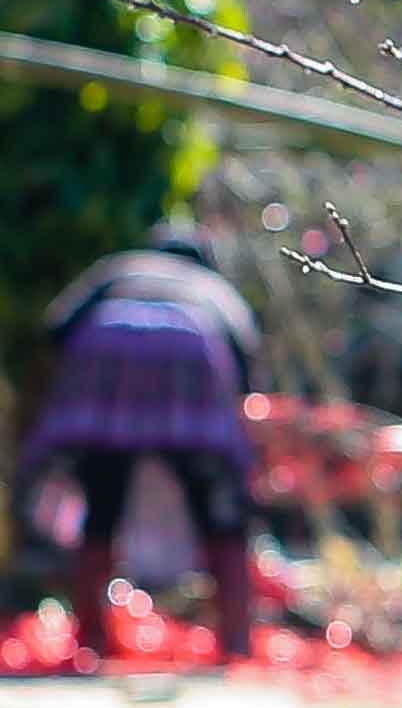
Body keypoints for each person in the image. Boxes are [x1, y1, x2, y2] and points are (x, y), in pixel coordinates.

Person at [18, 225, 263, 667]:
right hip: (192, 353)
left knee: (101, 505)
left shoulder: (116, 271)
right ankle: (236, 645)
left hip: (105, 354)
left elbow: (56, 328)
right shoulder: (211, 287)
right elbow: (245, 356)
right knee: (219, 512)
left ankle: (90, 643)